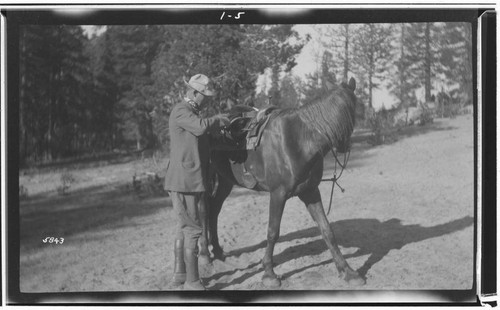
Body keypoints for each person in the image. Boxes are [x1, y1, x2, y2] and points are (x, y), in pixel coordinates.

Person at [164, 74, 229, 290]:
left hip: (185, 180)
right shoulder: (181, 110)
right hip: (185, 181)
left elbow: (201, 136)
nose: (208, 100)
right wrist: (217, 119)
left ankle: (180, 274)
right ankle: (192, 282)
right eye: (205, 96)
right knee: (192, 229)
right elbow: (201, 127)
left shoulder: (192, 113)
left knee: (183, 227)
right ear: (193, 92)